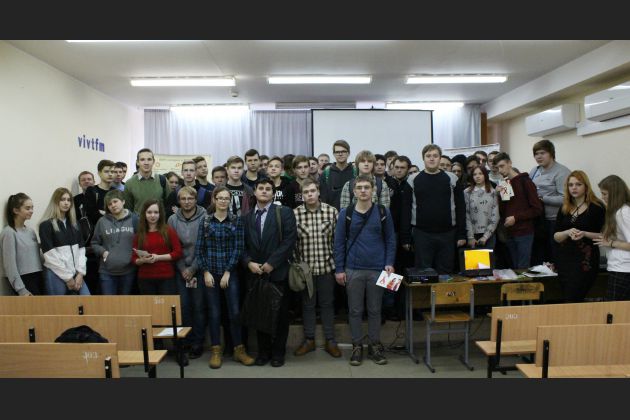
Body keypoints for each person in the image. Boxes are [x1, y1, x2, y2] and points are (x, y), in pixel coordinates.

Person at [334, 175, 396, 366]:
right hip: (353, 269)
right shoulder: (346, 213)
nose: (363, 191)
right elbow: (338, 243)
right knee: (354, 311)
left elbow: (391, 240)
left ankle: (375, 346)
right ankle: (357, 346)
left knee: (375, 310)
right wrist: (339, 269)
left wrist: (389, 262)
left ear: (373, 190)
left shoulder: (383, 211)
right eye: (359, 187)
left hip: (378, 269)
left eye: (366, 187)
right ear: (354, 191)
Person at [195, 186, 255, 368]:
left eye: (226, 198)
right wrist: (206, 272)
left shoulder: (236, 220)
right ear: (214, 199)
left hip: (231, 274)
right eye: (219, 198)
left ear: (230, 201)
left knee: (234, 312)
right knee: (214, 313)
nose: (223, 201)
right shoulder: (205, 221)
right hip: (210, 274)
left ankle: (239, 350)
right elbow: (199, 249)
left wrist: (228, 271)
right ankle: (216, 350)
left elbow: (238, 248)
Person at [242, 179, 297, 367]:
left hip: (278, 272)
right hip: (255, 274)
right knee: (261, 314)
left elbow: (289, 240)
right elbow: (241, 245)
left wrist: (272, 263)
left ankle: (278, 353)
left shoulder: (284, 212)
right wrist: (248, 263)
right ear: (254, 192)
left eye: (268, 189)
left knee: (281, 316)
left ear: (273, 193)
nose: (264, 191)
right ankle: (263, 352)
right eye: (261, 188)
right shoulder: (246, 217)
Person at [292, 178, 342, 358]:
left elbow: (338, 241)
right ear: (302, 195)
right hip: (305, 272)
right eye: (306, 192)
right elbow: (292, 243)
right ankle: (309, 340)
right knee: (308, 306)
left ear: (318, 192)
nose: (310, 195)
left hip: (327, 267)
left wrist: (338, 265)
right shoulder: (295, 214)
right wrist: (297, 266)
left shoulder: (332, 212)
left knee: (327, 304)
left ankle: (330, 340)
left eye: (312, 191)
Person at [400, 144, 466, 274]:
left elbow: (461, 208)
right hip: (422, 235)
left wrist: (461, 234)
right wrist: (405, 237)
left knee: (446, 274)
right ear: (423, 158)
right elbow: (406, 210)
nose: (431, 158)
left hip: (448, 234)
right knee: (423, 274)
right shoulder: (412, 179)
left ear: (440, 158)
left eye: (435, 156)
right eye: (428, 156)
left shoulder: (452, 178)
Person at [167, 186, 207, 360]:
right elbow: (172, 247)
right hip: (180, 269)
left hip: (199, 268)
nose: (187, 202)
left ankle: (198, 342)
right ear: (178, 201)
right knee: (183, 307)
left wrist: (193, 268)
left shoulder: (205, 217)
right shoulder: (172, 220)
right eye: (183, 199)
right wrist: (183, 268)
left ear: (196, 200)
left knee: (199, 307)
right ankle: (186, 342)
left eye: (190, 198)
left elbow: (205, 246)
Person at [553, 171, 605, 303]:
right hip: (564, 260)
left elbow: (605, 236)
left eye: (578, 184)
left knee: (573, 297)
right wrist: (567, 232)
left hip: (585, 261)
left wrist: (585, 233)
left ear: (586, 186)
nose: (574, 188)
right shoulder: (564, 207)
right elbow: (556, 236)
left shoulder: (597, 207)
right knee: (567, 298)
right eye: (571, 185)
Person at [493, 152, 543, 269]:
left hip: (524, 232)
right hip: (510, 232)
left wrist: (516, 218)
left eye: (502, 166)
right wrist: (499, 195)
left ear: (510, 163)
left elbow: (537, 209)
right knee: (515, 268)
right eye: (497, 168)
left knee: (522, 268)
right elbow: (504, 210)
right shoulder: (505, 183)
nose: (500, 170)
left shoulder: (525, 181)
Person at [39, 187, 89, 295]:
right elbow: (50, 256)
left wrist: (80, 273)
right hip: (55, 274)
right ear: (55, 202)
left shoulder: (75, 224)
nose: (66, 203)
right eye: (62, 199)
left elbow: (81, 250)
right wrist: (68, 278)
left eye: (68, 200)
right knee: (60, 305)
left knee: (87, 301)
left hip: (76, 274)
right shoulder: (46, 225)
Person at [529, 139, 571, 265]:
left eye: (542, 153)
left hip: (555, 221)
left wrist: (543, 198)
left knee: (554, 255)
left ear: (551, 153)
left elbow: (566, 198)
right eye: (536, 154)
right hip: (538, 220)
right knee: (539, 257)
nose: (539, 157)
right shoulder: (534, 171)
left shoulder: (562, 172)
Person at [91, 190, 138, 295]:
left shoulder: (134, 219)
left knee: (125, 303)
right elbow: (94, 243)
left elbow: (141, 241)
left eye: (115, 201)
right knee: (109, 303)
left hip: (129, 270)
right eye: (109, 204)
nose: (113, 205)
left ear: (123, 201)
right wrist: (103, 252)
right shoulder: (102, 221)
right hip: (107, 272)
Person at [131, 199, 182, 295]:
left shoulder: (168, 231)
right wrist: (142, 260)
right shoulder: (139, 234)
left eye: (156, 212)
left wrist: (158, 257)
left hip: (166, 277)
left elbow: (178, 253)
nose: (152, 215)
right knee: (148, 305)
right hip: (145, 278)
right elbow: (134, 259)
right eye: (149, 212)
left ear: (160, 214)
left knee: (166, 305)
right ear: (144, 214)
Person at [594, 175, 630, 301]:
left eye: (604, 194)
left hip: (623, 269)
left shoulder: (623, 212)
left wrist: (611, 243)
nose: (602, 197)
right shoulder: (618, 211)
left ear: (614, 194)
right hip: (619, 267)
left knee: (614, 309)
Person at [1, 193, 44, 295]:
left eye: (32, 208)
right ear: (16, 210)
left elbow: (36, 256)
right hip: (23, 280)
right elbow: (10, 265)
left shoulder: (31, 231)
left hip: (38, 277)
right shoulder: (9, 233)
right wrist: (22, 290)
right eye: (27, 208)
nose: (31, 211)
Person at [124, 148, 170, 214]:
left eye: (149, 159)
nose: (146, 163)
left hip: (159, 220)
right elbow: (128, 209)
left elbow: (168, 204)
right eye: (142, 160)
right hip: (138, 220)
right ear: (137, 162)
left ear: (153, 161)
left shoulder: (162, 180)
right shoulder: (129, 183)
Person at [464, 166, 499, 249]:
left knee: (488, 257)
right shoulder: (467, 192)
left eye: (480, 173)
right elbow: (466, 214)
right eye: (474, 174)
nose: (477, 176)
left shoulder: (493, 192)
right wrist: (470, 237)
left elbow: (495, 215)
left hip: (489, 234)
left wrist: (486, 236)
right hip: (472, 235)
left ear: (485, 175)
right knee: (474, 258)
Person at [319, 140, 357, 210]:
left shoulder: (356, 172)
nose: (340, 154)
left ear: (348, 153)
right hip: (331, 214)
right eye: (337, 152)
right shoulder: (326, 173)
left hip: (352, 213)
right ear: (333, 154)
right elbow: (323, 199)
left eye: (343, 151)